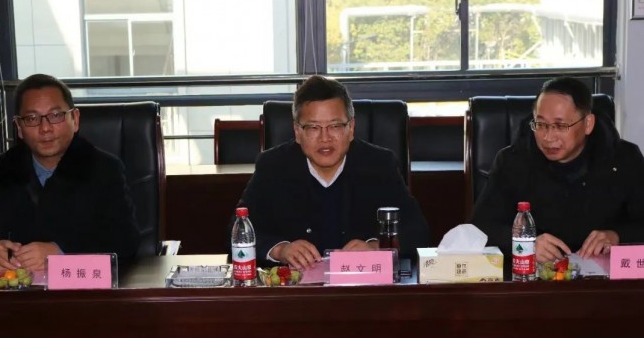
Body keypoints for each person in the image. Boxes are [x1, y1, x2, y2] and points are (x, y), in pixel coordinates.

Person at [235, 75, 429, 270]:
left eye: (335, 126)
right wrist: (280, 250)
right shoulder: (273, 166)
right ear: (297, 132)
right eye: (313, 127)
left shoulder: (379, 165)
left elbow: (417, 231)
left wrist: (376, 247)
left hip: (362, 285)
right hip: (296, 286)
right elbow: (237, 229)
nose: (325, 138)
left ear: (351, 128)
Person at [471, 76, 644, 279]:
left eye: (560, 126)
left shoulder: (624, 159)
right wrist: (526, 243)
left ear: (588, 124)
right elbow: (480, 228)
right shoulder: (513, 161)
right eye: (541, 124)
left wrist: (617, 236)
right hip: (532, 283)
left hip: (605, 285)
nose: (548, 137)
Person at [0, 73, 140, 273]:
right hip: (16, 289)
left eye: (56, 115)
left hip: (80, 290)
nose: (45, 128)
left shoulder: (105, 169)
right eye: (32, 118)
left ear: (75, 119)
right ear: (19, 127)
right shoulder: (0, 170)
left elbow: (125, 242)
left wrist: (61, 252)